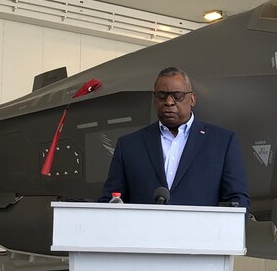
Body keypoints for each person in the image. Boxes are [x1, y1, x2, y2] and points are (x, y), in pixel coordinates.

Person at [101, 67, 250, 208]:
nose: (169, 102)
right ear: (154, 99)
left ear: (192, 99)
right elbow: (111, 201)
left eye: (177, 95)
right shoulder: (129, 145)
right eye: (162, 95)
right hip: (144, 234)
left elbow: (238, 200)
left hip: (199, 234)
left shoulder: (222, 142)